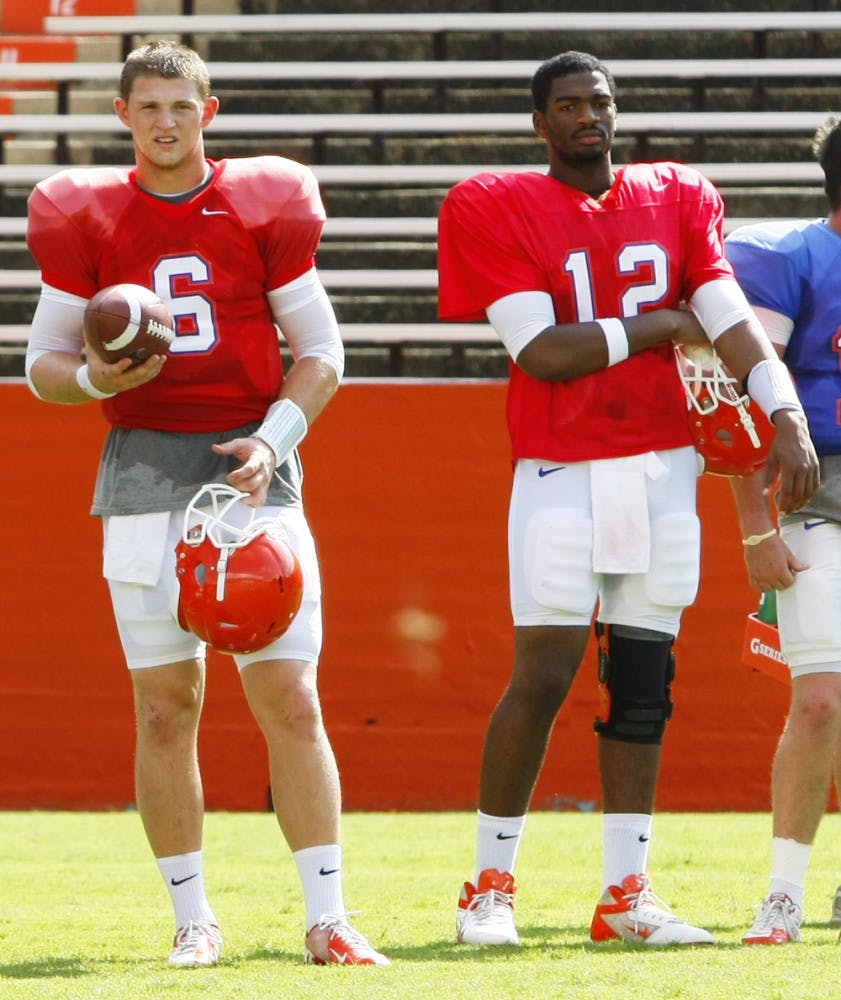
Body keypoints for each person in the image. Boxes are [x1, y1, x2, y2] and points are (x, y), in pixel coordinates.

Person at [437, 49, 819, 948]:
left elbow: (723, 314)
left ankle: (625, 895)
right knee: (541, 674)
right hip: (562, 466)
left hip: (663, 470)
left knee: (644, 683)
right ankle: (487, 887)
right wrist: (656, 324)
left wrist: (785, 417)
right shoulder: (498, 204)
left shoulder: (678, 194)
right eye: (567, 106)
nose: (587, 118)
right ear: (540, 123)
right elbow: (542, 352)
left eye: (598, 103)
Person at [24, 40, 389, 968]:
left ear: (209, 111)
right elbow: (43, 369)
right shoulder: (86, 212)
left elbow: (323, 353)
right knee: (164, 706)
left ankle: (328, 916)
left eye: (179, 106)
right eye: (146, 106)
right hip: (144, 469)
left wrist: (273, 440)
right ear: (123, 115)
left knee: (290, 697)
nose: (164, 122)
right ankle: (193, 918)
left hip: (250, 470)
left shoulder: (262, 202)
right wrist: (95, 374)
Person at [726, 114, 841, 945]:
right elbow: (737, 405)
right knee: (819, 702)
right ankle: (784, 895)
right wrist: (750, 527)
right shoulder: (789, 257)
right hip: (822, 495)